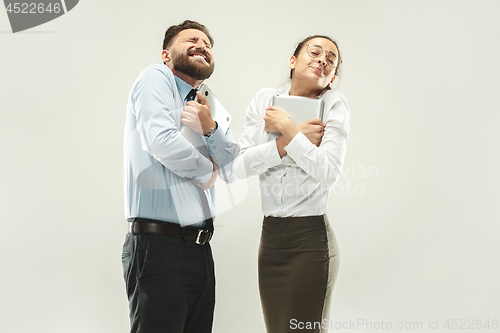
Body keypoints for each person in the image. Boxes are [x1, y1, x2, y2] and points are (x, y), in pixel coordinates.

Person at [122, 20, 237, 333]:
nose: (202, 44)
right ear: (166, 54)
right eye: (191, 39)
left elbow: (233, 169)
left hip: (200, 249)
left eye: (207, 43)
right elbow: (160, 140)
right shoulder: (155, 76)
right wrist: (206, 171)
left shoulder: (211, 106)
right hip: (158, 245)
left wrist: (210, 128)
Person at [234, 35, 349, 333]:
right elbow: (240, 165)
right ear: (293, 61)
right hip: (270, 243)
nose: (322, 59)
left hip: (310, 244)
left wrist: (285, 128)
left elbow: (328, 172)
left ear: (332, 77)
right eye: (314, 51)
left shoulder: (334, 104)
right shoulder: (264, 99)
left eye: (331, 59)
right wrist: (292, 141)